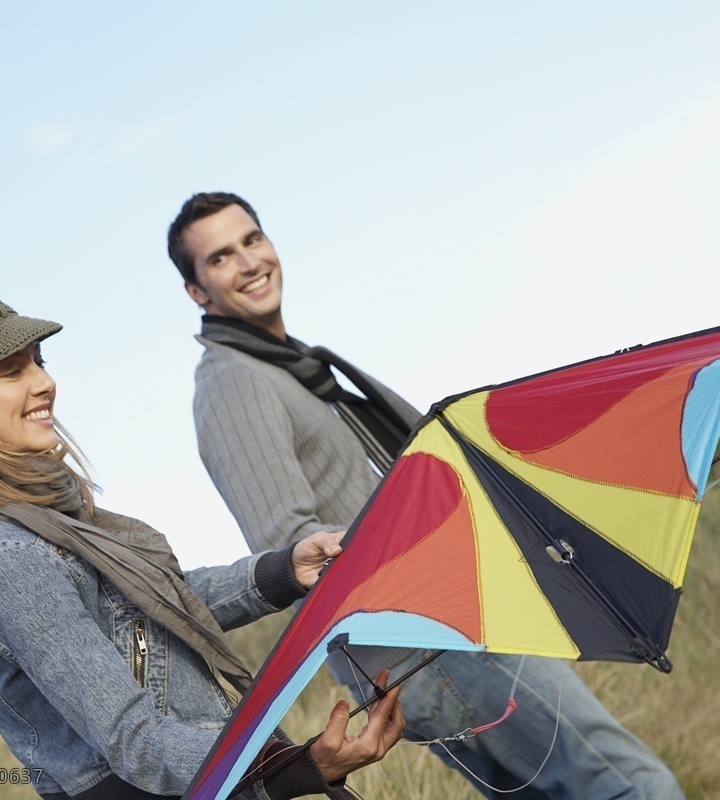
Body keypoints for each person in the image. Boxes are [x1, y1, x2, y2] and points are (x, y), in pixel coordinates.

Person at [167, 192, 686, 800]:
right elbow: (291, 548)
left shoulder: (291, 366)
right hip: (434, 641)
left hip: (439, 636)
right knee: (633, 785)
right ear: (198, 291)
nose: (250, 262)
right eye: (222, 257)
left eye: (252, 240)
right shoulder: (235, 384)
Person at [0, 286, 406, 800]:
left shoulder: (41, 524)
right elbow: (133, 740)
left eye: (38, 360)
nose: (44, 382)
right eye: (13, 371)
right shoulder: (3, 557)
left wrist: (284, 571)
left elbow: (149, 612)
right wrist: (294, 768)